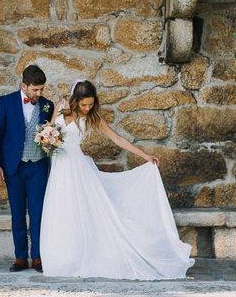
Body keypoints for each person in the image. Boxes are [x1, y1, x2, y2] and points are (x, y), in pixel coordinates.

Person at [40, 79, 194, 280]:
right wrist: (46, 140)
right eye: (84, 104)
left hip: (77, 168)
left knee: (81, 211)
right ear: (75, 100)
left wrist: (145, 155)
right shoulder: (60, 108)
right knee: (62, 210)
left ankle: (82, 257)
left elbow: (117, 139)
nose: (88, 108)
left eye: (91, 104)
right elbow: (50, 130)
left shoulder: (93, 118)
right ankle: (63, 259)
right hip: (60, 168)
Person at [0, 65, 54, 273]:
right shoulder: (5, 102)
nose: (39, 94)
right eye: (35, 90)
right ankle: (20, 258)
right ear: (23, 85)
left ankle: (38, 257)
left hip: (38, 167)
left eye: (42, 89)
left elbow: (52, 134)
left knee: (38, 214)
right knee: (17, 214)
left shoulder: (47, 106)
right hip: (13, 168)